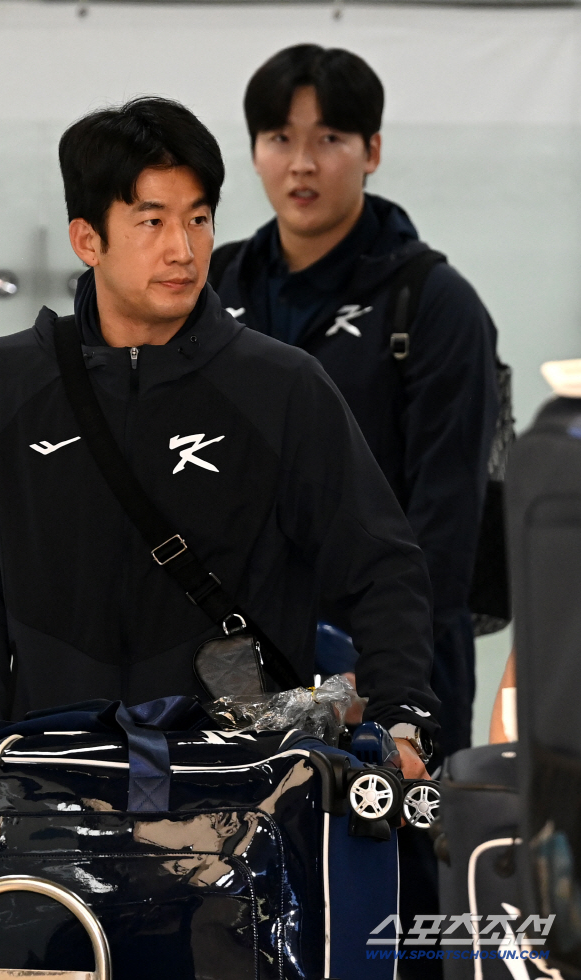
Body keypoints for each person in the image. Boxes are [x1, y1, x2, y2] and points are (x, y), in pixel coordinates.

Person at [0, 96, 438, 779]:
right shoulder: (2, 384)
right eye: (152, 221)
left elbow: (382, 567)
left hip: (239, 785)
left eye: (198, 219)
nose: (184, 248)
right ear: (88, 240)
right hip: (51, 777)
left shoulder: (282, 386)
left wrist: (402, 721)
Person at [209, 46, 499, 976]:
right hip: (245, 664)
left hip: (392, 661)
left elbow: (445, 524)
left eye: (328, 138)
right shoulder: (216, 290)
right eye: (278, 138)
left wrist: (393, 676)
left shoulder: (434, 304)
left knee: (400, 910)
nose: (301, 163)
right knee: (240, 902)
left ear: (371, 149)